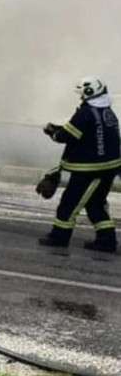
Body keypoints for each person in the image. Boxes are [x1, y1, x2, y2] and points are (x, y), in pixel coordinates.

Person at [38, 76, 120, 252]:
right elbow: (83, 132)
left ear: (89, 93)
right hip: (107, 167)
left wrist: (52, 131)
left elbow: (66, 136)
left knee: (70, 203)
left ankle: (59, 237)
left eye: (82, 93)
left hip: (90, 170)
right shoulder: (107, 112)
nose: (81, 97)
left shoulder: (85, 113)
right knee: (95, 203)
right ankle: (107, 240)